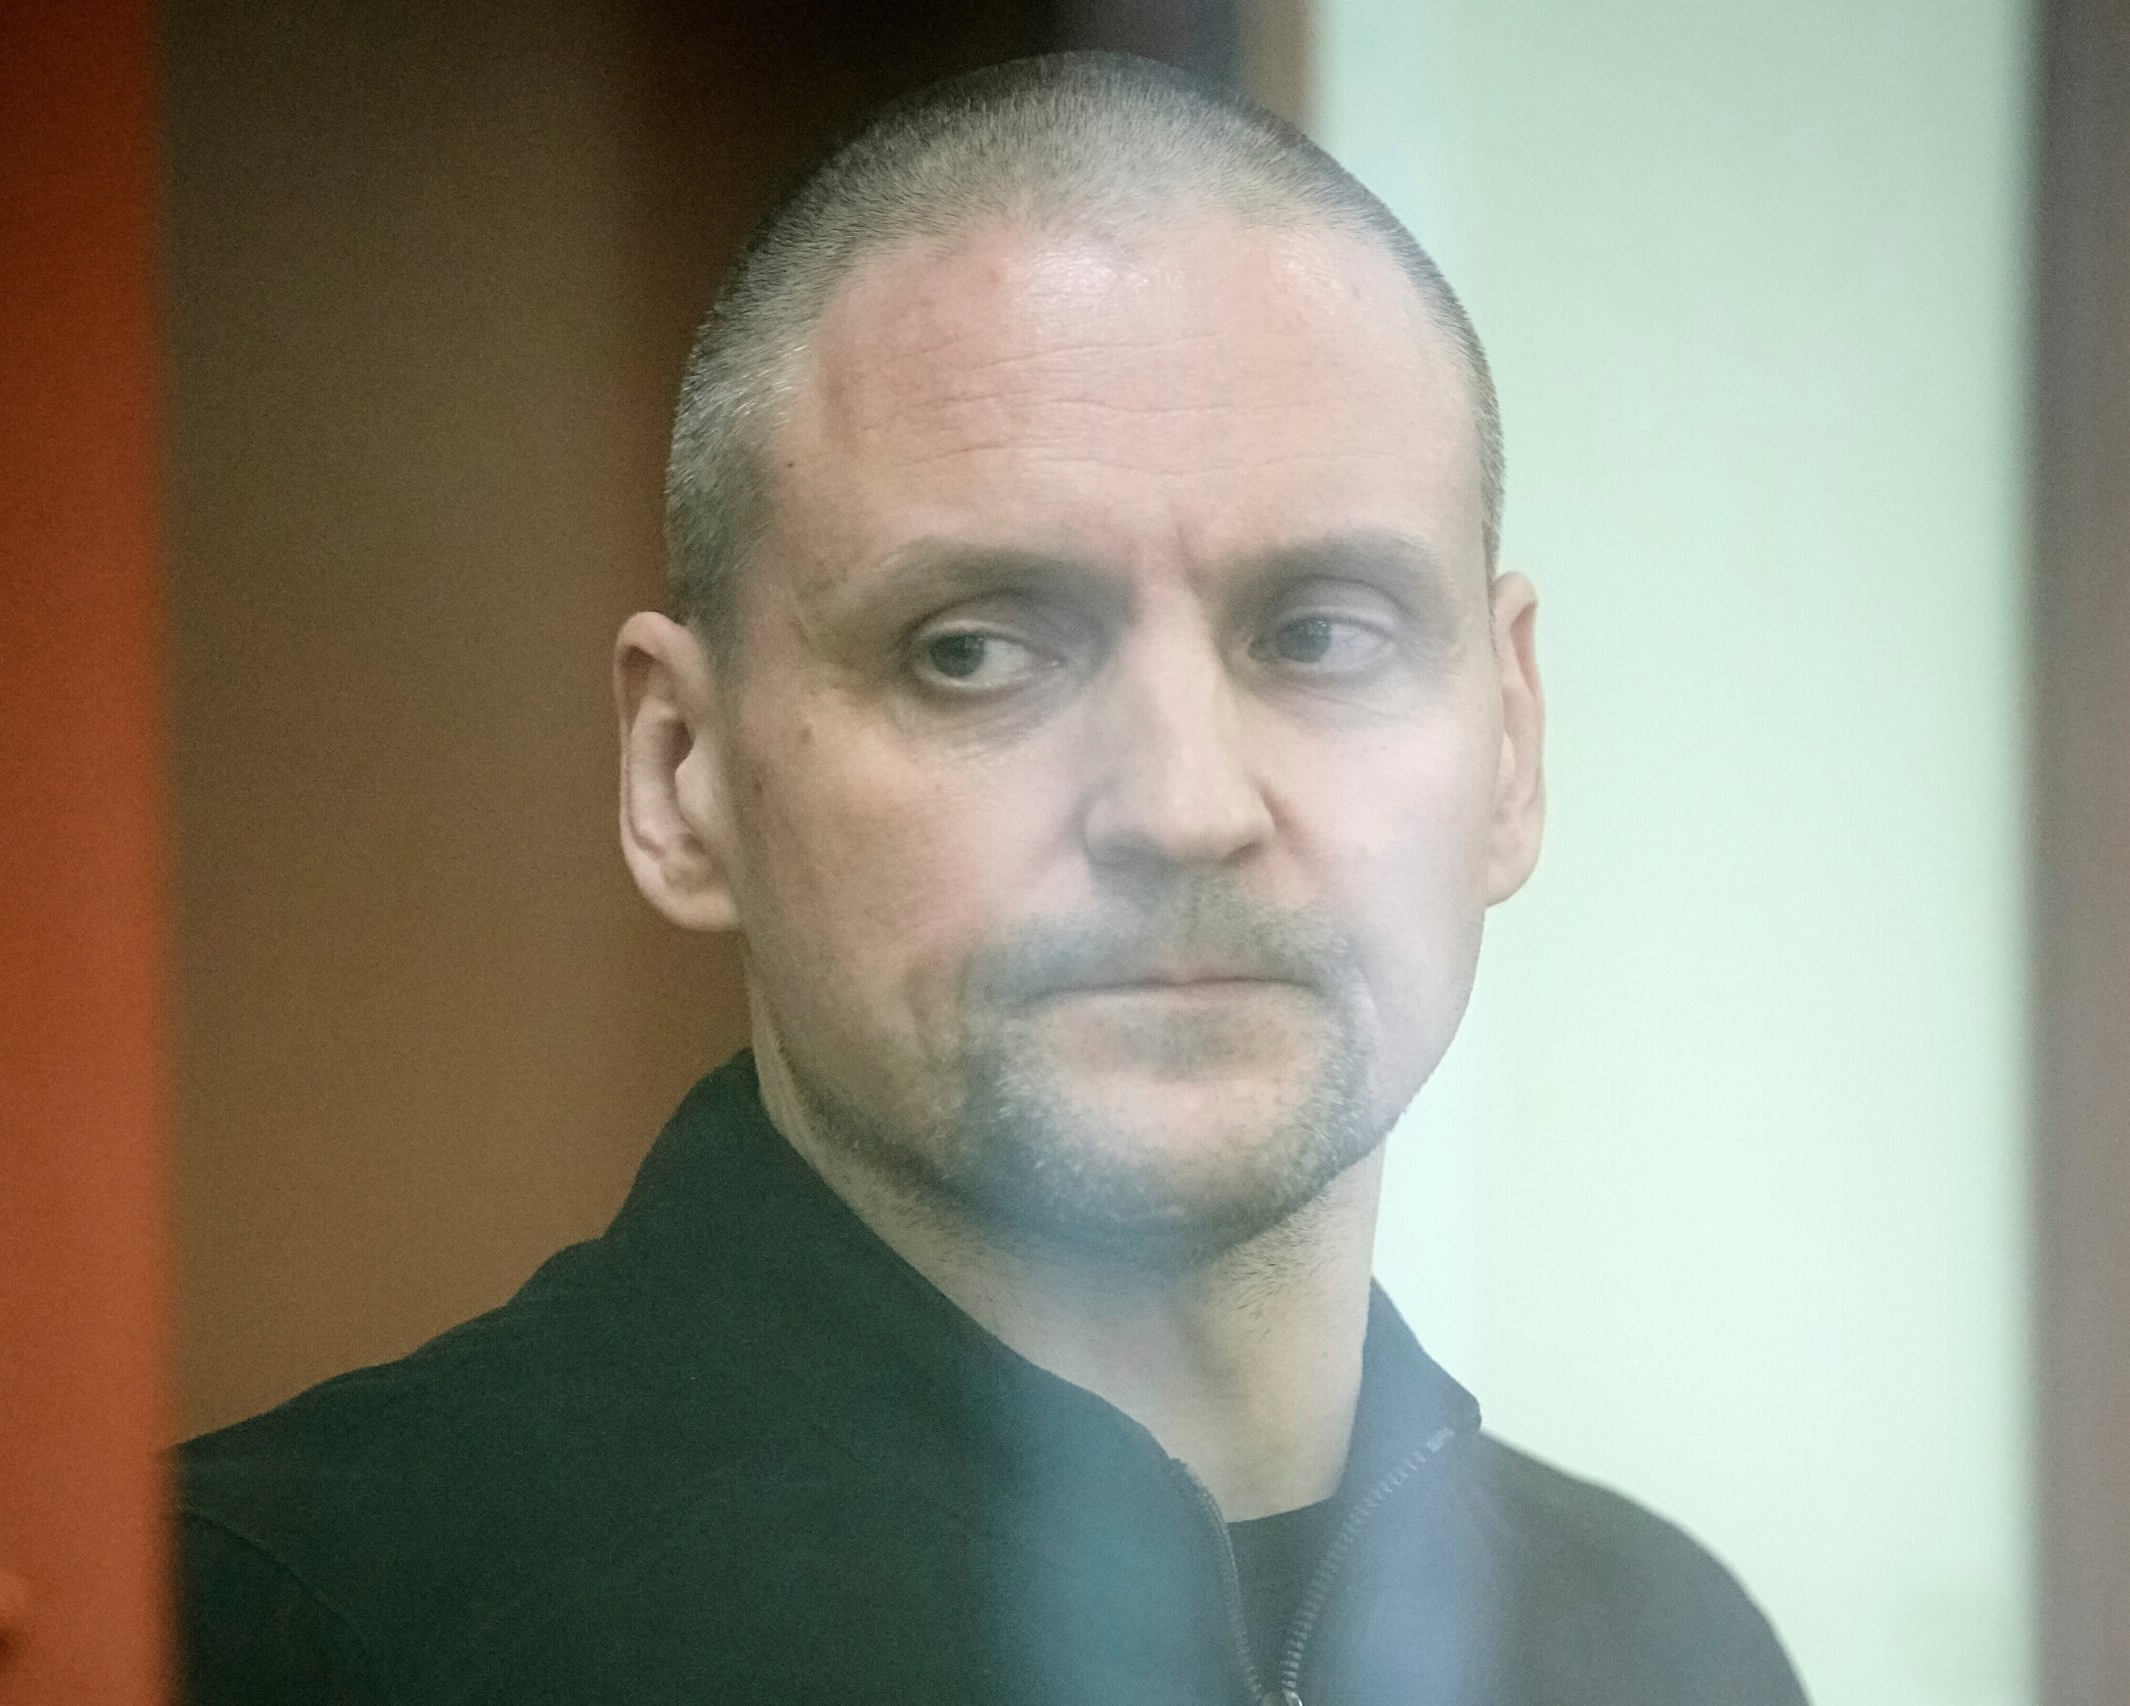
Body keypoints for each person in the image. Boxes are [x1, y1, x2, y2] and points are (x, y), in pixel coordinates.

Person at [177, 52, 1808, 1706]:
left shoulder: (1667, 1649)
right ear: (682, 771)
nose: (1183, 806)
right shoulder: (265, 1633)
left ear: (1511, 746)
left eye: (1322, 635)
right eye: (973, 651)